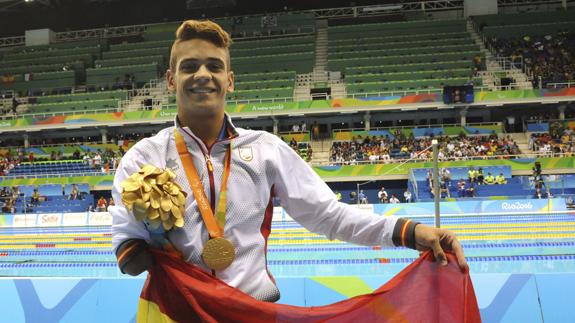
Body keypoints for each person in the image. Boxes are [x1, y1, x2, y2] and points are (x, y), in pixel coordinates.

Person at [110, 20, 467, 303]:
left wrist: (410, 232)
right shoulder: (143, 159)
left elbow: (329, 215)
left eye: (214, 66)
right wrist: (152, 234)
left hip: (252, 311)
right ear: (171, 79)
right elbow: (130, 259)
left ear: (229, 80)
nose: (203, 74)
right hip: (175, 314)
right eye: (189, 67)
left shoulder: (266, 149)